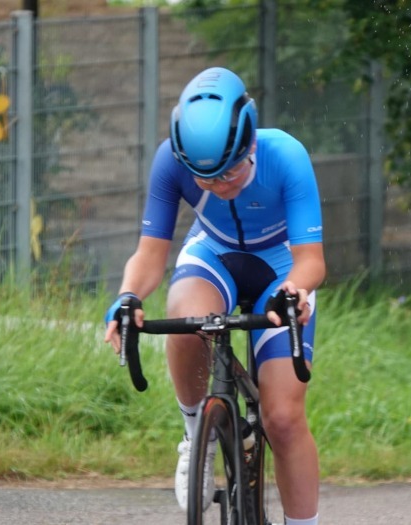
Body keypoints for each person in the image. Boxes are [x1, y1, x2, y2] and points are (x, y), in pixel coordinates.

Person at [103, 66, 325, 525]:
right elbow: (149, 255)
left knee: (282, 419)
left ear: (251, 145)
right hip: (213, 255)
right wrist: (127, 297)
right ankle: (196, 438)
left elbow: (312, 261)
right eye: (205, 179)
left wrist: (295, 291)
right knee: (186, 325)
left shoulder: (286, 155)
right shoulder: (170, 160)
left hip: (281, 267)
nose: (220, 185)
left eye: (230, 172)